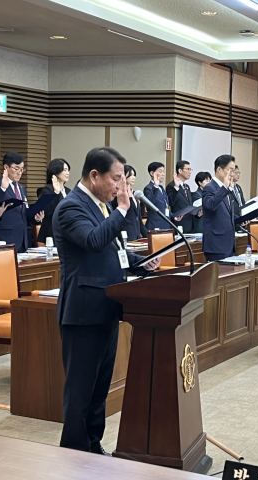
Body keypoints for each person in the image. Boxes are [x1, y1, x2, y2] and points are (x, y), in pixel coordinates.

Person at [53, 146, 160, 454]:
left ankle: (93, 445)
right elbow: (93, 241)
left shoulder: (100, 206)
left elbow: (113, 251)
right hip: (83, 311)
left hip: (108, 307)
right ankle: (74, 450)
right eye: (116, 179)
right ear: (94, 175)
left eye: (122, 180)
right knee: (80, 391)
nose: (119, 186)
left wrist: (141, 262)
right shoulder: (71, 207)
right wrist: (124, 210)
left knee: (99, 389)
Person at [0, 152, 44, 252]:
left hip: (23, 239)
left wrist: (35, 218)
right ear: (6, 167)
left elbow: (23, 212)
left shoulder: (21, 188)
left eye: (22, 169)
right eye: (16, 168)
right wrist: (3, 189)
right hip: (5, 239)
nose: (20, 172)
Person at [203, 155, 236, 262]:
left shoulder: (225, 188)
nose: (232, 174)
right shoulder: (209, 187)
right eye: (230, 170)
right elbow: (210, 206)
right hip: (216, 245)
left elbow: (225, 213)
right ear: (219, 170)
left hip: (228, 243)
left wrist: (242, 218)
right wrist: (224, 189)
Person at [37, 158, 72, 245]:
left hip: (66, 233)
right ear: (55, 171)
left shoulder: (68, 191)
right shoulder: (47, 190)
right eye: (64, 170)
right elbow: (47, 211)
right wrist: (56, 193)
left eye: (68, 170)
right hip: (51, 233)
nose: (68, 173)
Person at [111, 165, 147, 240]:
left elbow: (139, 219)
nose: (133, 177)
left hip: (136, 234)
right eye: (131, 175)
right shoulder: (118, 194)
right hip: (125, 234)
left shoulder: (135, 194)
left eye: (134, 175)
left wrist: (147, 236)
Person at [142, 162, 182, 231]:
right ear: (152, 173)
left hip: (166, 224)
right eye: (160, 171)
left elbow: (164, 206)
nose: (163, 174)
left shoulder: (161, 188)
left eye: (163, 171)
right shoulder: (148, 188)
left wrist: (173, 216)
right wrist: (155, 186)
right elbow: (151, 204)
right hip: (155, 225)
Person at [166, 160, 194, 233]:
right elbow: (171, 202)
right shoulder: (171, 186)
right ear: (180, 170)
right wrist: (176, 187)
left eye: (190, 169)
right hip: (179, 223)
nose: (190, 172)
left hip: (190, 223)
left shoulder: (187, 186)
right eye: (188, 169)